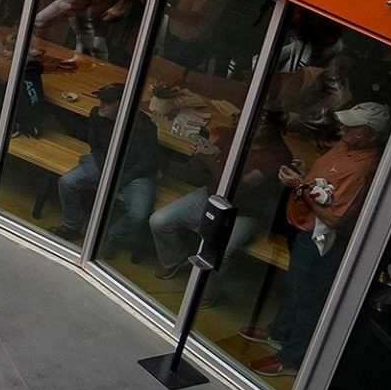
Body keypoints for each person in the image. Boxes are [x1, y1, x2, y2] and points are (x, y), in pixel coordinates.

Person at [243, 102, 390, 376]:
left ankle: (291, 359)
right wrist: (306, 172)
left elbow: (335, 219)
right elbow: (326, 181)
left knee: (309, 299)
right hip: (304, 230)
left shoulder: (364, 169)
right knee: (296, 287)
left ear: (369, 134)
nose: (344, 128)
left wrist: (298, 187)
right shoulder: (345, 146)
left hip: (324, 241)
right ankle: (279, 331)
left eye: (353, 126)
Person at [149, 111, 292, 288]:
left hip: (243, 211)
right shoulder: (237, 133)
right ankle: (175, 260)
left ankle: (206, 291)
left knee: (219, 252)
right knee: (159, 221)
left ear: (274, 129)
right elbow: (212, 154)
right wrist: (201, 153)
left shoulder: (278, 155)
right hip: (211, 195)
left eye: (262, 123)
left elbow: (237, 188)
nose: (254, 124)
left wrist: (209, 161)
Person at [48, 83, 162, 252]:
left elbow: (148, 162)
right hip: (105, 164)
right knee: (67, 182)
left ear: (123, 105)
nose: (102, 104)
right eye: (102, 100)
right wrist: (107, 170)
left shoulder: (144, 127)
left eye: (108, 102)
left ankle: (112, 238)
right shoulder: (97, 115)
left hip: (136, 174)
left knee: (139, 214)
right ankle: (72, 227)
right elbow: (95, 147)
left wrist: (120, 180)